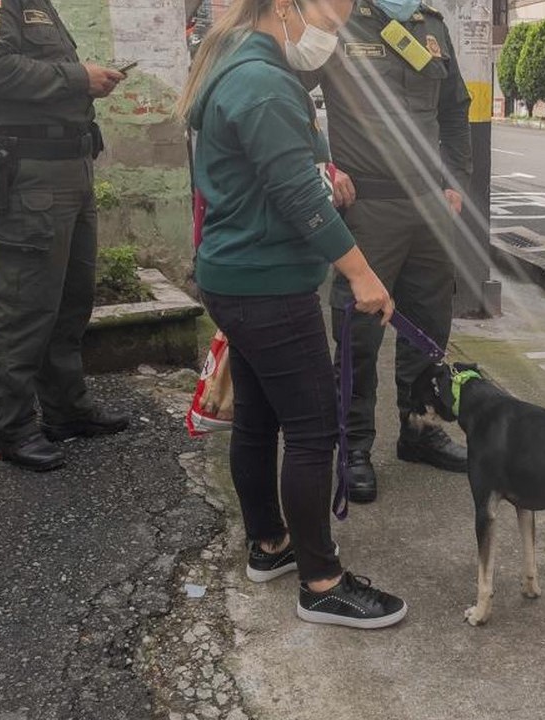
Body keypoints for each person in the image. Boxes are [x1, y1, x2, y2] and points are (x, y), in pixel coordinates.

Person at [176, 0, 409, 628]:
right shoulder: (263, 81)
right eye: (331, 18)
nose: (334, 32)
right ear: (286, 6)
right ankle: (322, 582)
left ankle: (270, 544)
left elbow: (273, 176)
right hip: (266, 283)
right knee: (313, 431)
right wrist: (361, 274)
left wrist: (316, 174)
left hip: (235, 273)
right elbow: (296, 198)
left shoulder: (238, 62)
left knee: (258, 417)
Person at [0, 0, 132, 471]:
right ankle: (14, 428)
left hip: (68, 166)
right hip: (27, 173)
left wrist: (85, 82)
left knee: (69, 299)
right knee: (24, 307)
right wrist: (79, 78)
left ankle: (66, 409)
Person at [306, 0, 473, 504]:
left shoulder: (431, 25)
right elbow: (290, 97)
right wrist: (321, 162)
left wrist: (456, 178)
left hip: (429, 206)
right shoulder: (337, 20)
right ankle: (353, 447)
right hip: (369, 207)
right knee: (358, 334)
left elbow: (455, 105)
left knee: (428, 325)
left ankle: (419, 429)